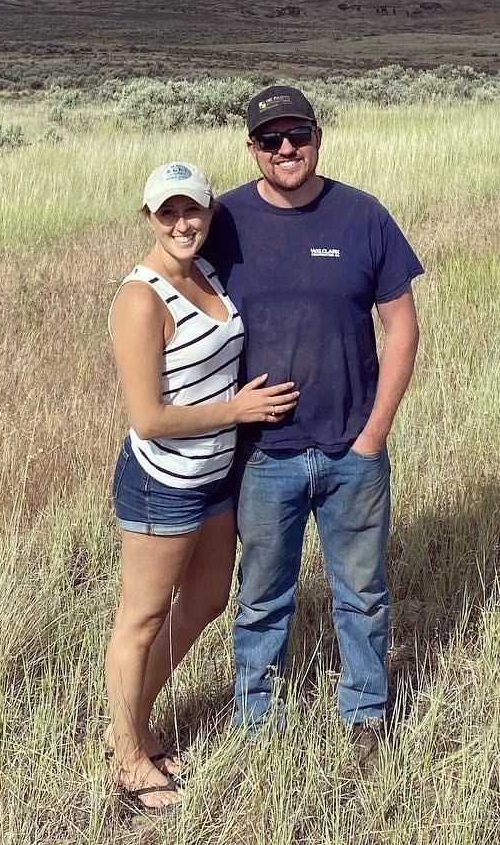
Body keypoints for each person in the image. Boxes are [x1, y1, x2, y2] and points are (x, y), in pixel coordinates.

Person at [203, 86, 423, 765]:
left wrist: (373, 434)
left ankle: (366, 713)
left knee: (362, 595)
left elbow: (402, 327)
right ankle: (257, 724)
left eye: (297, 134)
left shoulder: (363, 216)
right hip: (263, 456)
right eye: (270, 139)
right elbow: (175, 306)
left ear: (318, 137)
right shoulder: (224, 222)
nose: (286, 149)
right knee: (262, 598)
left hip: (352, 449)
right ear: (252, 149)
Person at [105, 160, 300, 814]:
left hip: (214, 475)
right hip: (163, 482)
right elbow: (149, 418)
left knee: (209, 598)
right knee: (142, 619)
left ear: (210, 211)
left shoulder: (206, 273)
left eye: (192, 209)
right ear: (148, 218)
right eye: (168, 212)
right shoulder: (141, 300)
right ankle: (128, 757)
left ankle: (131, 722)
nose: (182, 223)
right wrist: (237, 412)